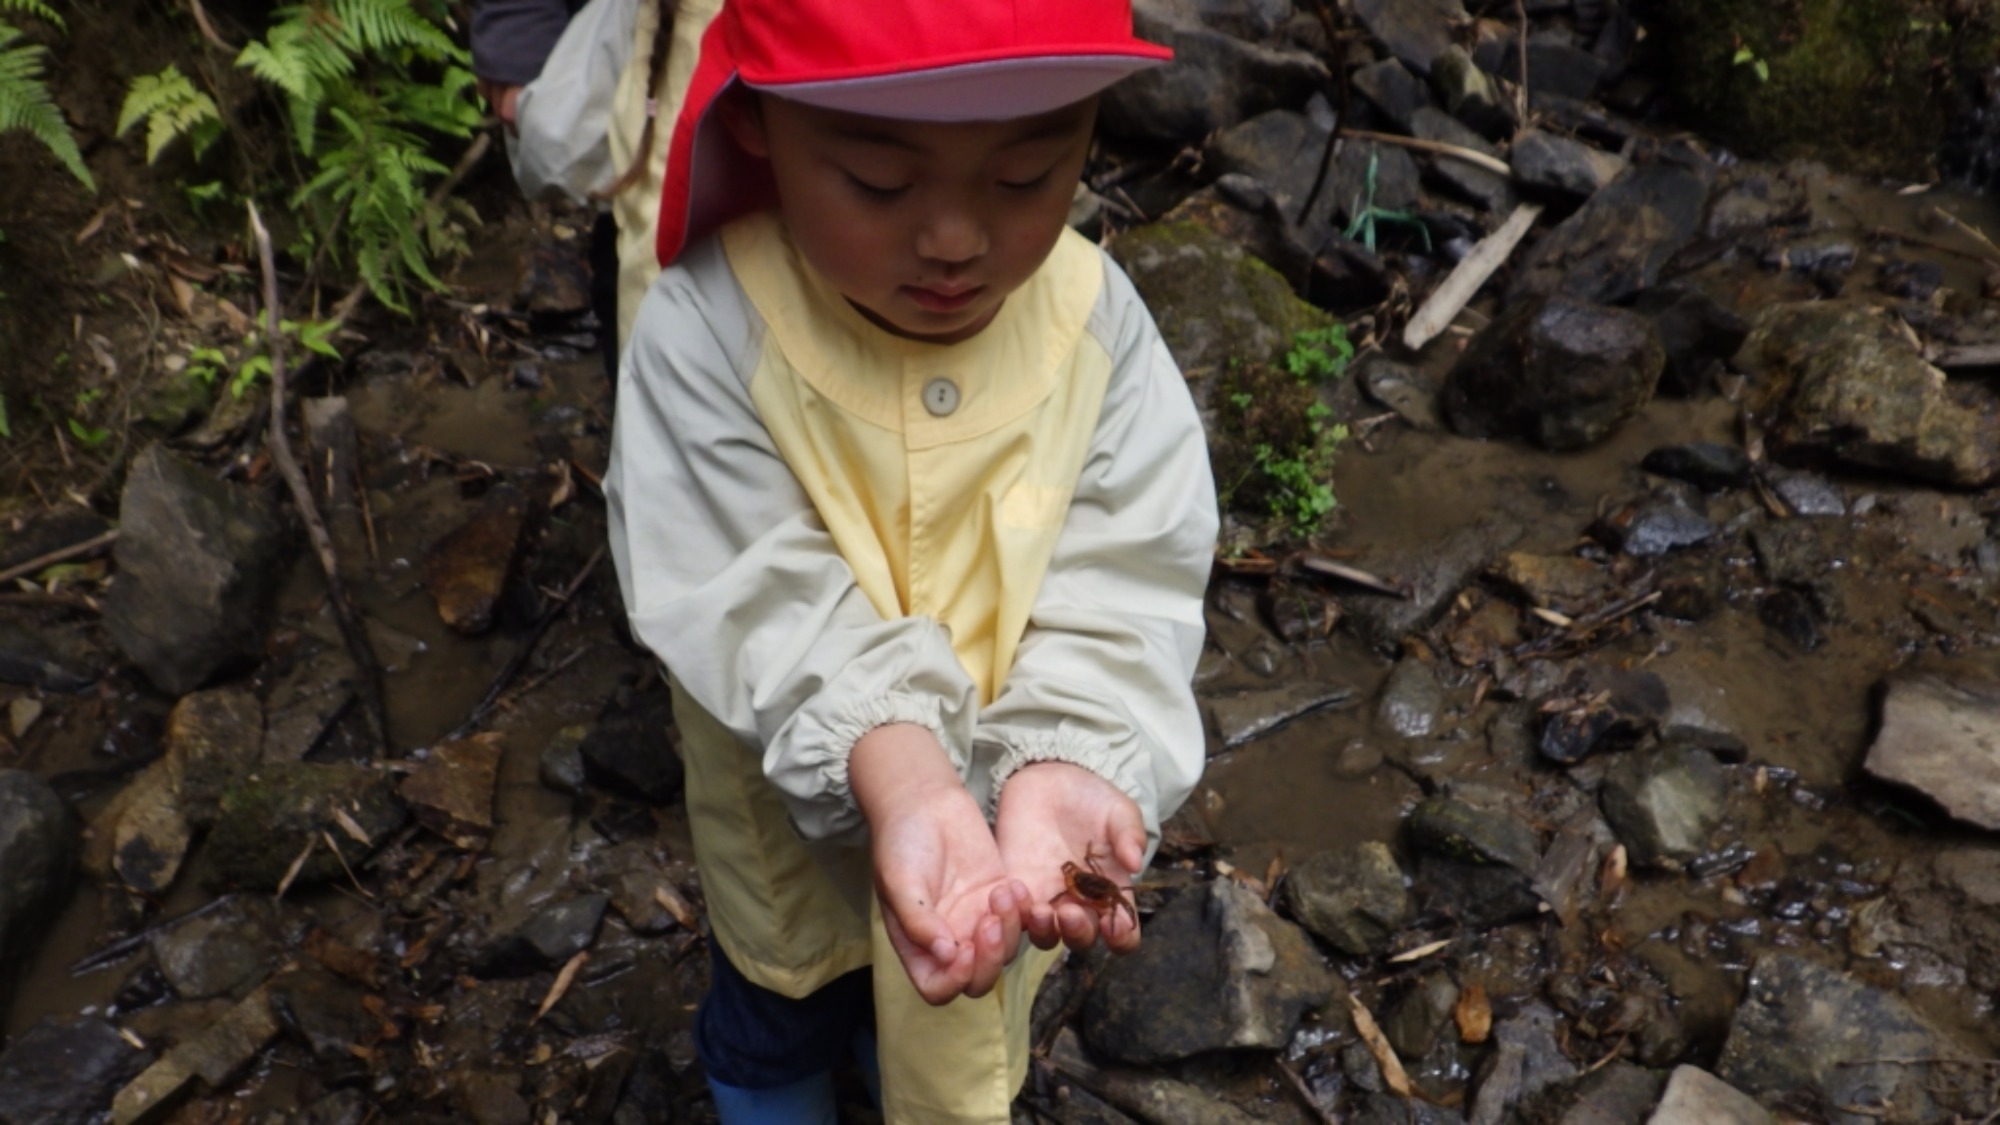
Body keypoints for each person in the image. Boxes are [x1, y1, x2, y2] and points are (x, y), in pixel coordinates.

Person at [602, 0, 1219, 1121]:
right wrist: (895, 768)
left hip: (997, 840)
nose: (952, 239)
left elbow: (1129, 568)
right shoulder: (707, 329)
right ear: (756, 124)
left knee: (946, 1006)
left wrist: (1070, 751)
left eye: (1027, 175)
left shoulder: (1095, 324)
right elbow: (747, 587)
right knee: (775, 1003)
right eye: (880, 186)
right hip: (786, 821)